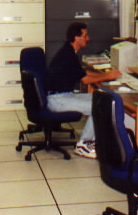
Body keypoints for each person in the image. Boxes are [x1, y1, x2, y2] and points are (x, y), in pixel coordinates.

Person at [46, 22, 121, 158]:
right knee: (99, 106)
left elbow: (84, 74)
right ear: (76, 38)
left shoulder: (69, 51)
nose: (88, 38)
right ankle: (83, 144)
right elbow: (85, 80)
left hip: (61, 96)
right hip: (58, 100)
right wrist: (108, 75)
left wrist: (105, 76)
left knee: (101, 100)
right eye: (85, 36)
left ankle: (93, 139)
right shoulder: (68, 54)